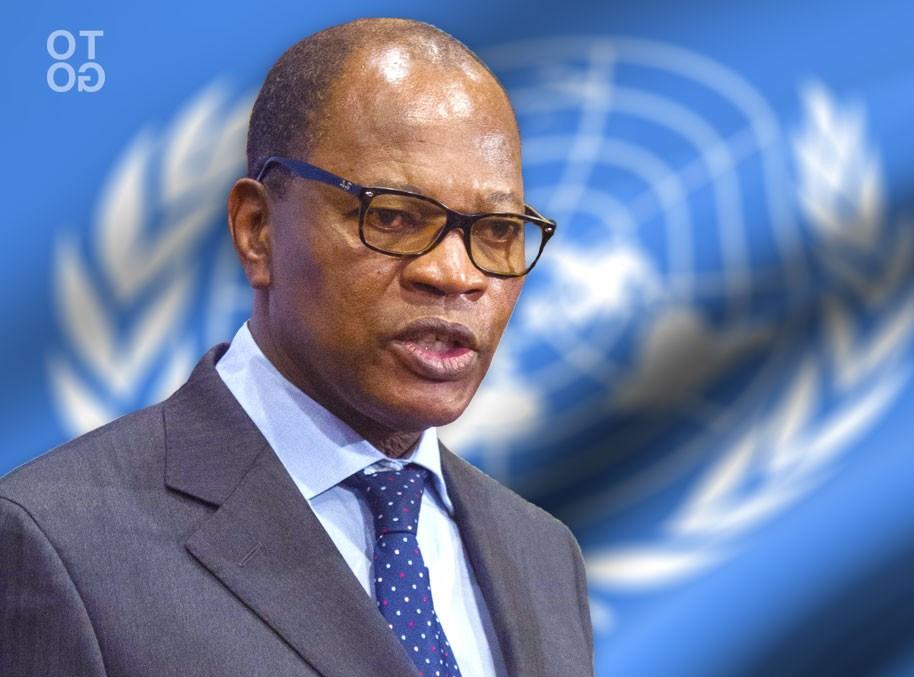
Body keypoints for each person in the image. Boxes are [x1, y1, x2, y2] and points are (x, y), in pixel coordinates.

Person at [0, 18, 594, 677]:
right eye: (393, 216)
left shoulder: (543, 554)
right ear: (257, 229)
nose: (456, 275)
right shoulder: (57, 542)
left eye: (498, 230)